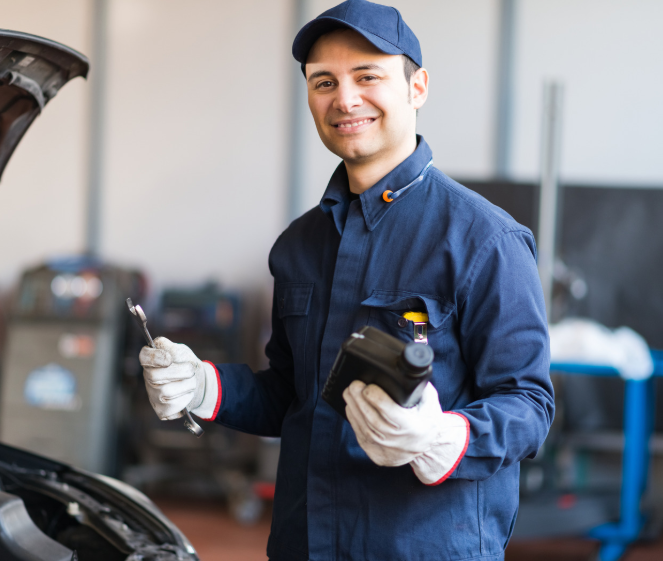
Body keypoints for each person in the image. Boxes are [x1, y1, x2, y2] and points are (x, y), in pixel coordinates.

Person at [139, 1, 554, 559]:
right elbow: (291, 394)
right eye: (324, 82)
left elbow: (529, 405)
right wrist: (205, 387)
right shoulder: (298, 245)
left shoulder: (484, 240)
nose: (345, 99)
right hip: (304, 542)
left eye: (368, 76)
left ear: (418, 87)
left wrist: (441, 438)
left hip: (422, 546)